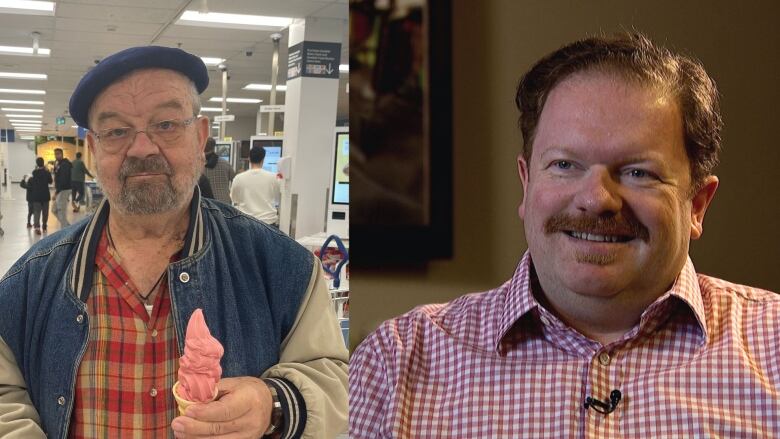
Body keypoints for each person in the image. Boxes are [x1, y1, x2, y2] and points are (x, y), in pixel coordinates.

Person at [349, 33, 780, 437]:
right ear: (526, 183)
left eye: (638, 172)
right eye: (565, 165)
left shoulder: (772, 347)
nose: (596, 200)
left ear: (697, 205)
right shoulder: (394, 364)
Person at [0, 46, 348, 438]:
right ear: (95, 152)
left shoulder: (283, 267)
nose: (142, 148)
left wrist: (276, 402)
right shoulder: (32, 280)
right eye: (116, 131)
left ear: (200, 137)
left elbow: (336, 377)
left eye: (165, 124)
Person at [230, 145, 282, 227]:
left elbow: (234, 199)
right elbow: (277, 198)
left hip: (246, 222)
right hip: (268, 223)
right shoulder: (273, 177)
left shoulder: (238, 178)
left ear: (249, 159)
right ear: (263, 159)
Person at [202, 137, 235, 204]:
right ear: (214, 147)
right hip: (224, 203)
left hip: (205, 204)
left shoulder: (197, 166)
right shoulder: (225, 163)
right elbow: (235, 180)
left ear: (202, 145)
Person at [25, 157, 52, 235]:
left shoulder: (34, 172)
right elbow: (50, 182)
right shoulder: (47, 172)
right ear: (43, 163)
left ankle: (37, 227)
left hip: (36, 195)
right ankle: (44, 226)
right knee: (45, 212)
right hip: (45, 195)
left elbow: (32, 181)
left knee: (36, 212)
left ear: (37, 163)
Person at [50, 147, 72, 227]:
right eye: (55, 154)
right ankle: (67, 226)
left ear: (61, 154)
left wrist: (56, 193)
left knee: (61, 211)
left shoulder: (65, 165)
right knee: (54, 210)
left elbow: (63, 180)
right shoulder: (59, 164)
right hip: (60, 189)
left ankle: (65, 230)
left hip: (64, 190)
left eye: (58, 154)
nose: (56, 156)